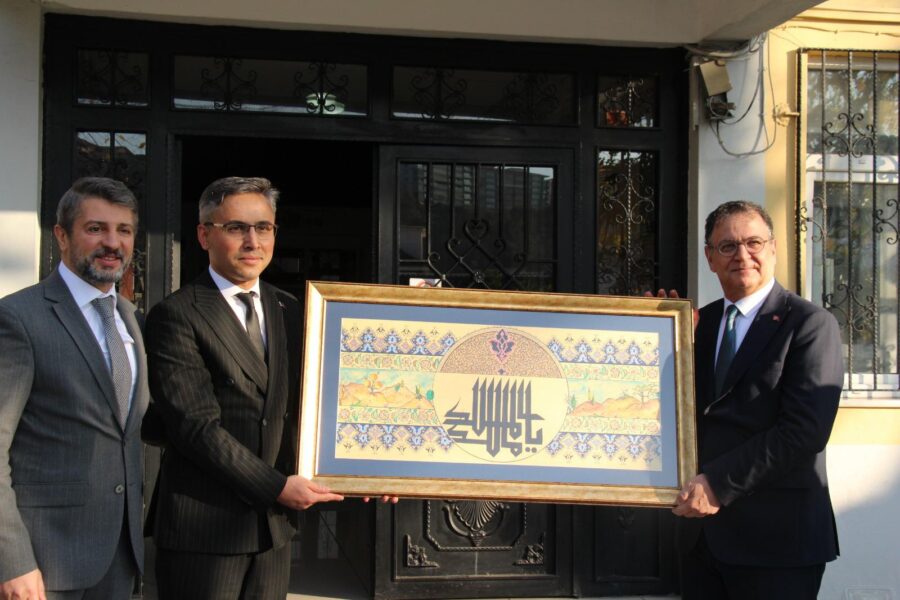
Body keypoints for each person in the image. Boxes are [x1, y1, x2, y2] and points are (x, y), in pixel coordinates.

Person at [144, 177, 345, 599]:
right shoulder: (176, 314)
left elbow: (318, 404)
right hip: (204, 530)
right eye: (236, 227)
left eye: (264, 227)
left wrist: (376, 470)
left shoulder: (292, 308)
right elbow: (196, 428)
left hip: (272, 530)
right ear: (204, 235)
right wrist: (276, 487)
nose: (253, 241)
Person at [670, 200, 843, 599]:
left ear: (773, 248)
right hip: (701, 542)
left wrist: (718, 483)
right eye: (727, 246)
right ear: (710, 258)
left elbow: (804, 432)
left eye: (753, 242)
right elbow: (675, 411)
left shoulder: (810, 324)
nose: (742, 255)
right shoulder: (697, 325)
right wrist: (652, 335)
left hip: (778, 543)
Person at [0, 177, 148, 600]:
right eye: (96, 228)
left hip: (120, 558)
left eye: (124, 230)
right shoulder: (18, 318)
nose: (112, 243)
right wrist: (12, 561)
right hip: (44, 563)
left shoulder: (132, 319)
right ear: (61, 236)